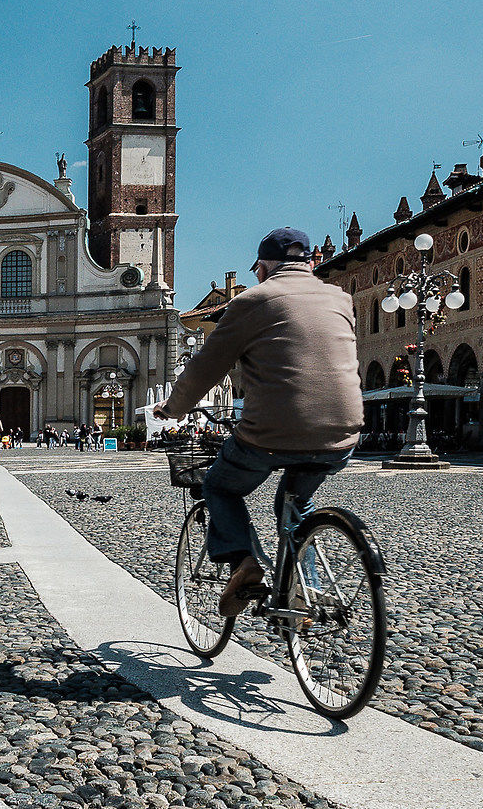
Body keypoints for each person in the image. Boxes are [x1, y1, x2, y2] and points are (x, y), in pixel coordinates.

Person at [156, 227, 364, 618]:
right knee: (297, 500)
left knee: (218, 486)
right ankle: (304, 591)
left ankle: (244, 562)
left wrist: (174, 407)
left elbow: (206, 366)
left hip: (272, 433)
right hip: (344, 433)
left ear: (263, 268)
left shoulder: (253, 300)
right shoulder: (340, 298)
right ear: (309, 264)